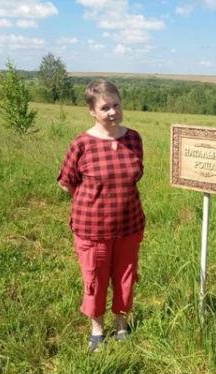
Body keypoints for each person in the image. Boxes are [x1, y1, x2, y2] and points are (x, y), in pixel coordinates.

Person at [57, 79, 145, 352]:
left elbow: (136, 175)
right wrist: (93, 203)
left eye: (116, 105)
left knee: (125, 276)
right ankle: (97, 329)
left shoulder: (133, 139)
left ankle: (122, 324)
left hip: (129, 225)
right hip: (92, 229)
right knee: (94, 278)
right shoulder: (81, 144)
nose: (112, 112)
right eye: (105, 107)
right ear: (92, 111)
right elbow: (66, 182)